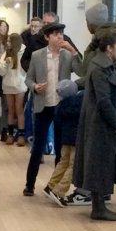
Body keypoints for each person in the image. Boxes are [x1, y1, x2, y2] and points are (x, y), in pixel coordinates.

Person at [72, 27, 116, 221]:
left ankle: (100, 205)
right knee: (97, 165)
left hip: (102, 122)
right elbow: (104, 101)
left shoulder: (106, 65)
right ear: (109, 49)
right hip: (100, 123)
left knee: (101, 164)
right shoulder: (100, 68)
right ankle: (98, 208)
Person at [23, 23, 78, 196]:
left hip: (62, 105)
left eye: (61, 34)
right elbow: (28, 79)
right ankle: (29, 185)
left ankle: (55, 186)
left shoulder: (68, 56)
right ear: (47, 37)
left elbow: (82, 70)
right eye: (55, 34)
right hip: (43, 104)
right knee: (38, 147)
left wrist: (74, 51)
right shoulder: (37, 55)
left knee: (61, 148)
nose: (59, 37)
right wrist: (35, 86)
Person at [44, 78, 83, 206]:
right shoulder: (79, 103)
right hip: (76, 139)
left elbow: (58, 123)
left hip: (65, 139)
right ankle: (59, 191)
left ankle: (51, 185)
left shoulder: (60, 107)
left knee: (63, 162)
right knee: (73, 165)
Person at [0, 33, 27, 145]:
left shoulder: (24, 52)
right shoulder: (6, 54)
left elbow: (27, 68)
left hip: (20, 85)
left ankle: (21, 135)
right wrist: (5, 63)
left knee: (19, 110)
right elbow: (0, 71)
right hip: (8, 85)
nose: (8, 43)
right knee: (10, 110)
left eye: (10, 41)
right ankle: (10, 135)